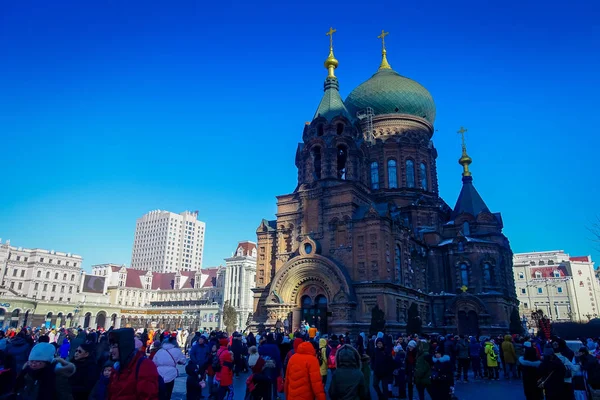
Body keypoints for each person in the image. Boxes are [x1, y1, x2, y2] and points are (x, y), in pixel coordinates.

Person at [107, 327, 159, 399]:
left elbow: (148, 396)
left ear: (124, 346)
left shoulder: (145, 366)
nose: (111, 351)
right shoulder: (117, 366)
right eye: (110, 347)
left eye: (114, 347)